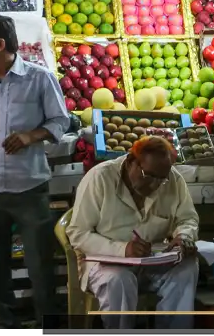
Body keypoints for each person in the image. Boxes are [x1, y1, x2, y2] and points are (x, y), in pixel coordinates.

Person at [0, 15, 70, 332]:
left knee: (40, 265)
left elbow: (60, 122)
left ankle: (46, 322)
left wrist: (30, 136)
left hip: (28, 186)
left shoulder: (39, 78)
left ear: (0, 44)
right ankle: (6, 325)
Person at [66, 136, 200, 329]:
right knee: (119, 279)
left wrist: (183, 237)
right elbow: (78, 232)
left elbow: (187, 218)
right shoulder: (100, 178)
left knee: (186, 268)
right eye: (149, 176)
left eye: (161, 180)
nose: (154, 185)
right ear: (131, 162)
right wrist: (123, 249)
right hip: (104, 261)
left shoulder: (172, 180)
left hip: (152, 258)